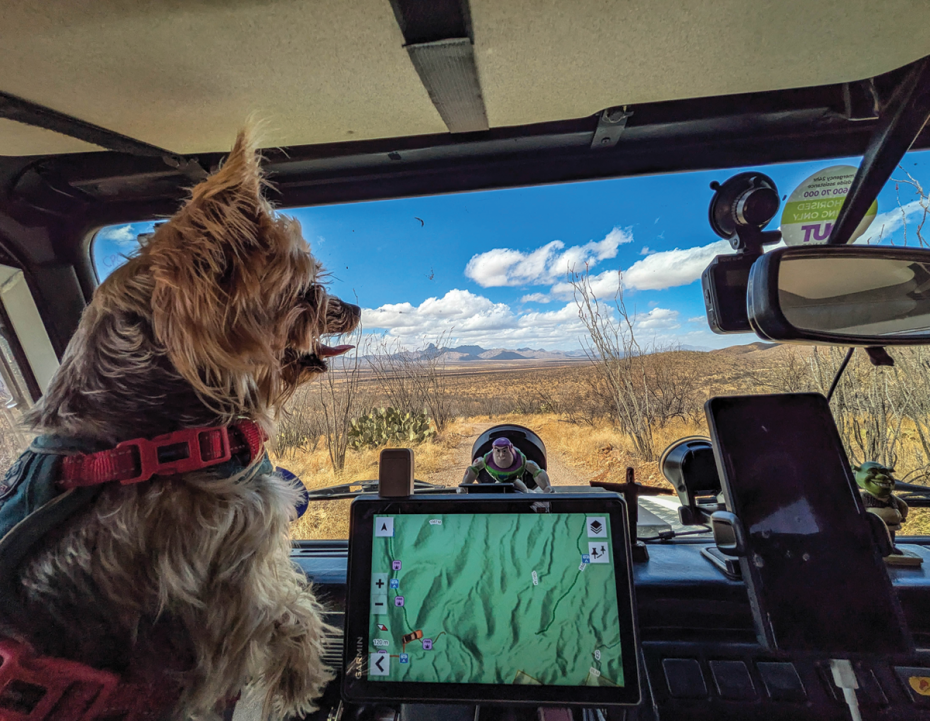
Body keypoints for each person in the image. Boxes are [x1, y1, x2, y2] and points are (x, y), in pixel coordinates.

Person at [462, 437, 553, 492]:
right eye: (498, 451)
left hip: (516, 483)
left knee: (525, 493)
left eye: (504, 451)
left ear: (510, 449)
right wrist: (464, 487)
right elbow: (473, 468)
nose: (501, 455)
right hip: (498, 485)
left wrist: (546, 488)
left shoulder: (521, 460)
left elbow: (536, 471)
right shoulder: (486, 460)